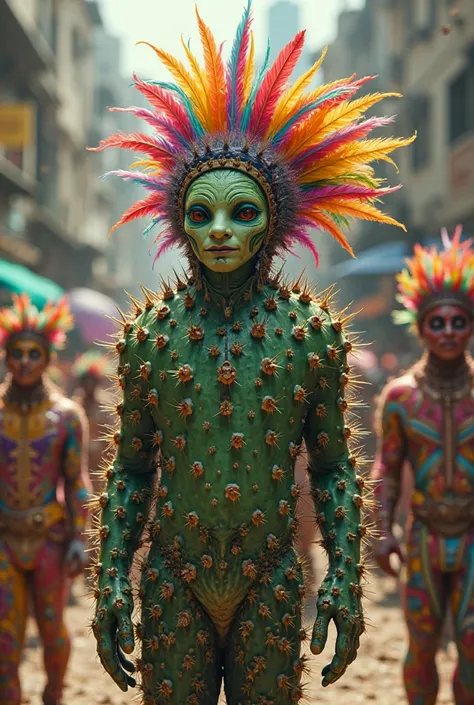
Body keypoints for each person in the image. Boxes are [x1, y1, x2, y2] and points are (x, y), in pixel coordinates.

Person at [89, 4, 413, 702]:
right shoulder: (150, 338)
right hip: (174, 575)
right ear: (179, 218)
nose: (221, 233)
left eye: (243, 212)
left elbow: (331, 470)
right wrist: (113, 574)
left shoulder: (311, 335)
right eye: (202, 213)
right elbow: (132, 469)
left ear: (274, 219)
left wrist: (344, 583)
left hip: (270, 576)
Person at [373, 225, 474, 705]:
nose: (450, 332)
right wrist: (384, 531)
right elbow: (386, 470)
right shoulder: (401, 399)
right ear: (421, 327)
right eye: (439, 322)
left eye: (460, 322)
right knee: (422, 647)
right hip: (425, 538)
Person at [0, 293, 90, 705]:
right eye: (16, 353)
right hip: (3, 541)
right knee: (4, 639)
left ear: (47, 358)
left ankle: (54, 695)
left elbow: (76, 482)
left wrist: (78, 538)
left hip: (49, 541)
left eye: (32, 354)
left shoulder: (67, 416)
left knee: (52, 630)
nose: (23, 362)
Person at [72, 351, 112, 494]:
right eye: (85, 380)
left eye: (92, 380)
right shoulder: (74, 406)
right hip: (79, 463)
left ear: (97, 381)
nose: (89, 384)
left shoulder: (106, 406)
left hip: (100, 463)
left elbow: (111, 437)